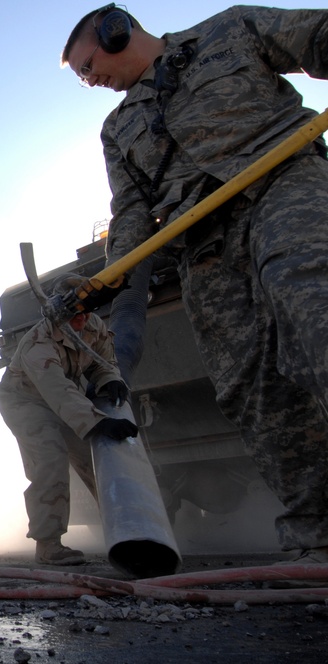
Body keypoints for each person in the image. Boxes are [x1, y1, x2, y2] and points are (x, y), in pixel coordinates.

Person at [62, 5, 328, 563]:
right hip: (203, 242)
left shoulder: (229, 31)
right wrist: (112, 274)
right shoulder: (117, 128)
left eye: (89, 67)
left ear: (116, 31)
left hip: (285, 185)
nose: (92, 82)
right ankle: (317, 533)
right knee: (247, 380)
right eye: (83, 78)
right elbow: (132, 209)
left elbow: (316, 38)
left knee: (309, 299)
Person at [0, 274, 136, 565]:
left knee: (96, 458)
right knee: (50, 458)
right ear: (59, 313)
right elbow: (57, 391)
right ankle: (47, 545)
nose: (82, 320)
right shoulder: (38, 343)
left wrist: (110, 379)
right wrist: (98, 421)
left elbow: (101, 361)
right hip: (25, 401)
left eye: (86, 312)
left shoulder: (91, 324)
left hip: (65, 397)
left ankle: (128, 531)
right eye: (75, 315)